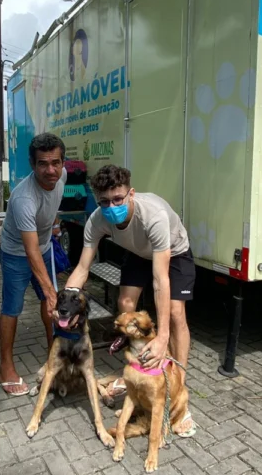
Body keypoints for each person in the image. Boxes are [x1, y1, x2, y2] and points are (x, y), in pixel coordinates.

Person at [64, 164, 197, 436]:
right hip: (138, 252)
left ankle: (179, 384)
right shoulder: (97, 220)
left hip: (174, 251)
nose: (112, 206)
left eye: (118, 199)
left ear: (131, 194)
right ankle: (138, 373)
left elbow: (161, 280)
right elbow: (82, 268)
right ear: (98, 200)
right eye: (105, 201)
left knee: (174, 313)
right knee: (125, 307)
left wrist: (161, 339)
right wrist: (64, 305)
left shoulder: (154, 216)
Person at [0, 133, 67, 396]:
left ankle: (55, 355)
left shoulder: (62, 177)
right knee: (12, 308)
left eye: (55, 163)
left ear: (62, 163)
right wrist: (51, 292)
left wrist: (54, 223)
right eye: (42, 164)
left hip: (46, 246)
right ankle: (5, 366)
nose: (50, 170)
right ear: (32, 164)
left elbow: (53, 205)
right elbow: (30, 250)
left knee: (47, 301)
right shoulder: (23, 197)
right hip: (16, 252)